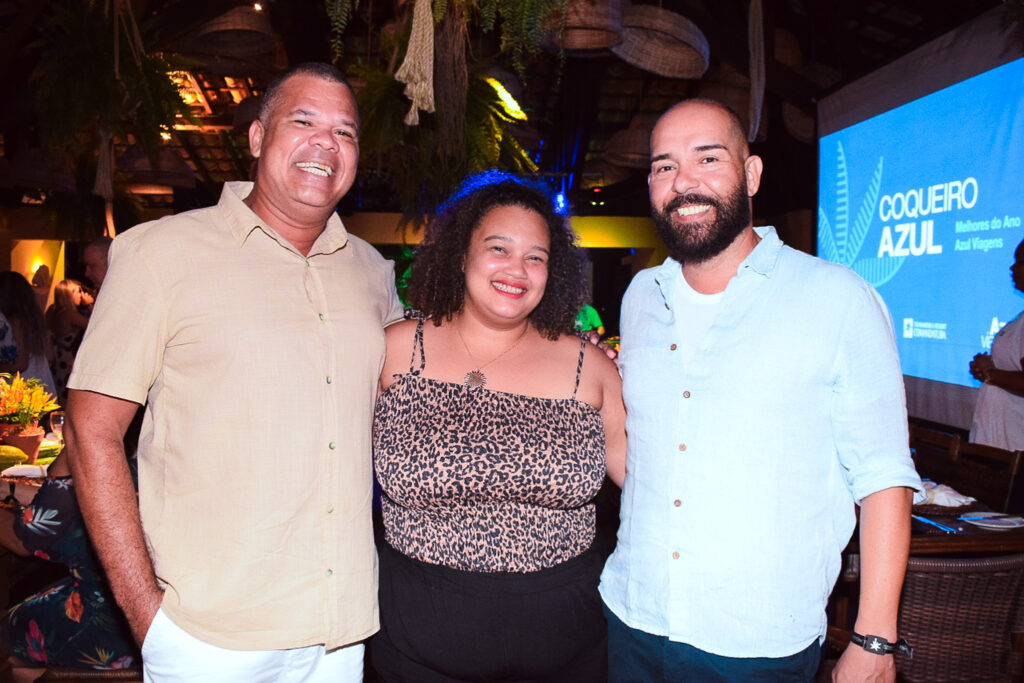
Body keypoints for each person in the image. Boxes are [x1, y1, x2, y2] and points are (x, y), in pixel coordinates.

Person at [64, 62, 403, 682]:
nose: (326, 143)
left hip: (342, 632)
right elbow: (91, 428)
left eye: (346, 132)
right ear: (255, 137)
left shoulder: (375, 274)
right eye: (303, 120)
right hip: (207, 636)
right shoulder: (158, 254)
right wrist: (149, 618)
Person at [599, 99, 923, 681]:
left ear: (750, 174)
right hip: (632, 617)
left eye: (708, 158)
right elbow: (653, 457)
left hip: (756, 644)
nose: (683, 183)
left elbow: (884, 478)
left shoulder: (838, 298)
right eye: (664, 166)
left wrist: (874, 641)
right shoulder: (642, 296)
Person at [371, 171, 627, 682]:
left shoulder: (589, 367)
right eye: (499, 248)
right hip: (416, 636)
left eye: (536, 256)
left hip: (567, 639)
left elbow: (654, 484)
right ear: (461, 254)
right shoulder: (395, 350)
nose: (518, 269)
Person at [1, 450, 139, 677]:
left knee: (11, 631)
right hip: (176, 613)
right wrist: (10, 489)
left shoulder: (90, 425)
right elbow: (69, 498)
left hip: (115, 626)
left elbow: (26, 538)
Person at [968, 238, 1024, 450]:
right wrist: (989, 365)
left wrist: (989, 373)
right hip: (1000, 443)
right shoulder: (1020, 318)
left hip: (1015, 448)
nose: (1012, 267)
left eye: (1021, 261)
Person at [0, 272, 56, 396]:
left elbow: (21, 364)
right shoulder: (33, 318)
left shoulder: (16, 321)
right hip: (39, 379)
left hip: (24, 385)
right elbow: (50, 356)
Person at [45, 280, 91, 403]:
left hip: (55, 359)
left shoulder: (52, 310)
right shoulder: (69, 314)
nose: (81, 295)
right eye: (77, 291)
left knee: (57, 393)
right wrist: (89, 305)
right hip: (67, 358)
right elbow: (93, 326)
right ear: (68, 295)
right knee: (67, 396)